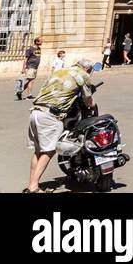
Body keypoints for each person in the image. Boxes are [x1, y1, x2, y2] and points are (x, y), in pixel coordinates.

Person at [25, 58, 95, 193]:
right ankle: (33, 186)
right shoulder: (82, 75)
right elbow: (88, 100)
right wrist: (92, 105)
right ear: (87, 69)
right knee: (49, 150)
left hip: (36, 112)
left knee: (38, 151)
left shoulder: (60, 71)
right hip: (51, 116)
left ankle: (31, 184)